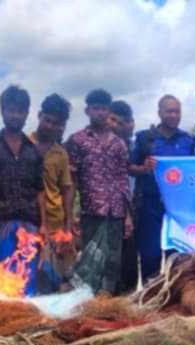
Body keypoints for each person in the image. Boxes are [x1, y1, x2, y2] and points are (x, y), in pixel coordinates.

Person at [0, 85, 46, 296]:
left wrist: (44, 224)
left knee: (28, 279)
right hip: (3, 224)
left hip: (30, 224)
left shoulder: (34, 151)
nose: (15, 115)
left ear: (27, 113)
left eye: (20, 111)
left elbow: (40, 189)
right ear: (2, 111)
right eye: (11, 110)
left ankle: (28, 315)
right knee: (6, 279)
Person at [65, 89, 132, 295]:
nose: (100, 113)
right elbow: (71, 181)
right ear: (87, 111)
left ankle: (106, 304)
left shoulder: (119, 144)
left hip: (116, 213)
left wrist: (128, 217)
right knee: (90, 262)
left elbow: (123, 181)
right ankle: (86, 303)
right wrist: (70, 215)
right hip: (91, 213)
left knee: (113, 263)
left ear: (109, 112)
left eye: (104, 109)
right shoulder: (77, 141)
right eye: (96, 108)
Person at [130, 95, 195, 282]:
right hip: (150, 205)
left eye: (177, 111)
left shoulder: (188, 141)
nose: (174, 115)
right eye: (169, 111)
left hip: (178, 208)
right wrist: (144, 168)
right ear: (159, 113)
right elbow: (129, 167)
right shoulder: (145, 138)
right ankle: (150, 293)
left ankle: (174, 293)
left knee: (177, 256)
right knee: (150, 255)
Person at [30, 93, 75, 295]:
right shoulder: (24, 144)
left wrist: (68, 226)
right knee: (28, 276)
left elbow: (66, 188)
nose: (49, 126)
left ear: (61, 126)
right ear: (39, 115)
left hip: (55, 222)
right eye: (47, 120)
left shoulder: (61, 154)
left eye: (55, 123)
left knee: (54, 278)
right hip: (29, 220)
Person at [110, 100, 139, 293]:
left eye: (127, 121)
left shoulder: (138, 146)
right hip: (112, 211)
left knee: (130, 260)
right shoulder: (103, 146)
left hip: (135, 207)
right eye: (116, 121)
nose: (123, 126)